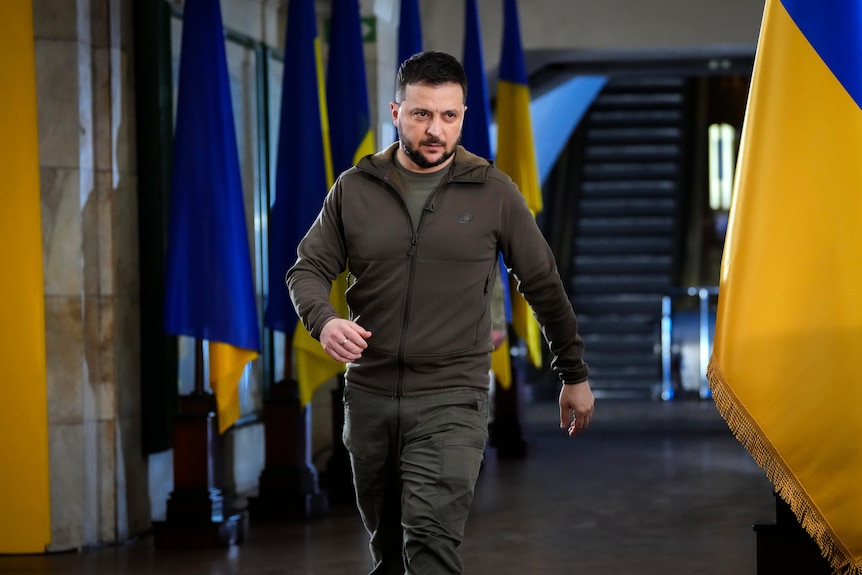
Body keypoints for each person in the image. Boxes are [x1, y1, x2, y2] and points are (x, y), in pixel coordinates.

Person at [286, 50, 594, 575]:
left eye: (448, 116)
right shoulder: (354, 189)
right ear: (396, 112)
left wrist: (573, 374)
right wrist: (325, 319)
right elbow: (306, 270)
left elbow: (542, 284)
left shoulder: (494, 192)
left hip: (454, 395)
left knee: (429, 544)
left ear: (463, 117)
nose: (435, 130)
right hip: (370, 398)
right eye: (421, 114)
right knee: (387, 554)